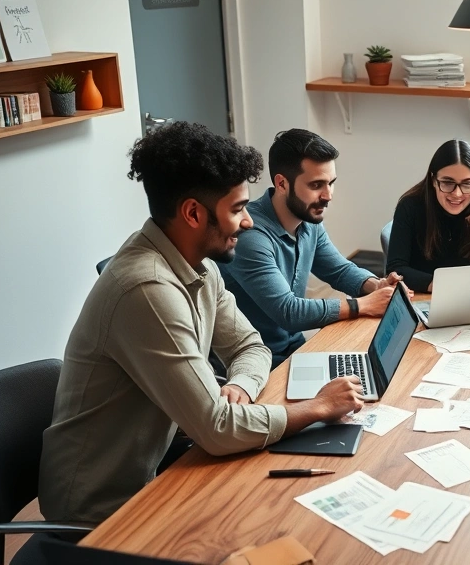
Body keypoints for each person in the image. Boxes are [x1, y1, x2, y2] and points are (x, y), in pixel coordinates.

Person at [38, 123, 365, 524]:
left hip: (164, 462)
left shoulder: (199, 266)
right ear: (194, 213)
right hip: (105, 510)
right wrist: (318, 407)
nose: (248, 223)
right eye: (237, 209)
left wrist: (241, 385)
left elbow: (250, 346)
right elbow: (216, 429)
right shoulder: (147, 288)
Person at [218, 129, 407, 369]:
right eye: (317, 185)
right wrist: (364, 305)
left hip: (294, 349)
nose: (328, 196)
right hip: (254, 364)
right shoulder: (250, 235)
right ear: (282, 183)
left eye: (331, 183)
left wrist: (376, 286)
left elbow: (338, 270)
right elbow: (287, 312)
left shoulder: (308, 221)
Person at [385, 139, 470, 293]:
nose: (457, 193)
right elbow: (395, 270)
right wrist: (440, 286)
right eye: (447, 183)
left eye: (467, 184)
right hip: (424, 302)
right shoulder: (410, 207)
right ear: (434, 180)